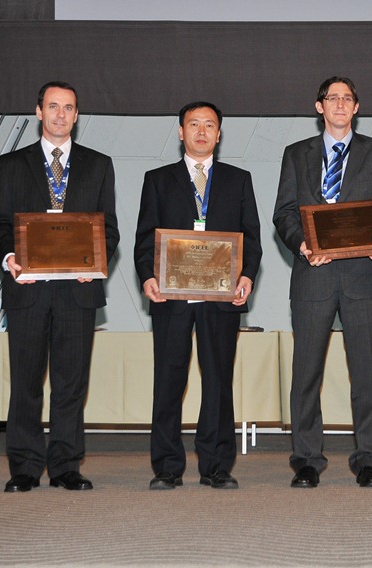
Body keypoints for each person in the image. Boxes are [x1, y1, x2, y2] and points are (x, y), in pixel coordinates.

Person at [0, 81, 119, 493]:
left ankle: (65, 465)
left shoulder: (99, 164)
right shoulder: (12, 164)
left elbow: (108, 229)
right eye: (53, 107)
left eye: (69, 108)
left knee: (70, 383)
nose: (60, 115)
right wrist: (10, 259)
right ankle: (24, 467)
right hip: (28, 289)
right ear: (39, 112)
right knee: (25, 381)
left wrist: (97, 264)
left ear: (77, 115)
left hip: (77, 292)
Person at [272, 76, 372, 488]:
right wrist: (304, 246)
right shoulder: (296, 154)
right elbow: (285, 214)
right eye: (332, 98)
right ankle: (307, 459)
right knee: (306, 373)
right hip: (313, 275)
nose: (340, 104)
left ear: (356, 107)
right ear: (318, 106)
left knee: (367, 375)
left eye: (347, 98)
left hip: (362, 276)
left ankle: (369, 460)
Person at [134, 101, 262, 491]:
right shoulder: (157, 179)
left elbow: (251, 239)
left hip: (220, 298)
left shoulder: (239, 180)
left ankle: (217, 466)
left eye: (209, 125)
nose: (202, 131)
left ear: (219, 134)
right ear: (180, 131)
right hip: (170, 298)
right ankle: (167, 467)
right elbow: (144, 238)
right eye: (194, 124)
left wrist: (246, 276)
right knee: (168, 381)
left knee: (218, 381)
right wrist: (147, 277)